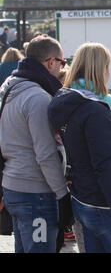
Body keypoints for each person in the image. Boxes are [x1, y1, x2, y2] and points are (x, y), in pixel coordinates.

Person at [47, 42, 111, 253]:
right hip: (106, 206)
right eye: (108, 66)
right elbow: (104, 164)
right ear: (100, 68)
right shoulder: (96, 111)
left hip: (82, 199)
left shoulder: (67, 103)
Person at [0, 35, 72, 253]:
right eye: (62, 63)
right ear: (51, 62)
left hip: (13, 186)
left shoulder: (9, 86)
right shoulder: (38, 97)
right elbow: (45, 154)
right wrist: (62, 196)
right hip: (36, 192)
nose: (62, 69)